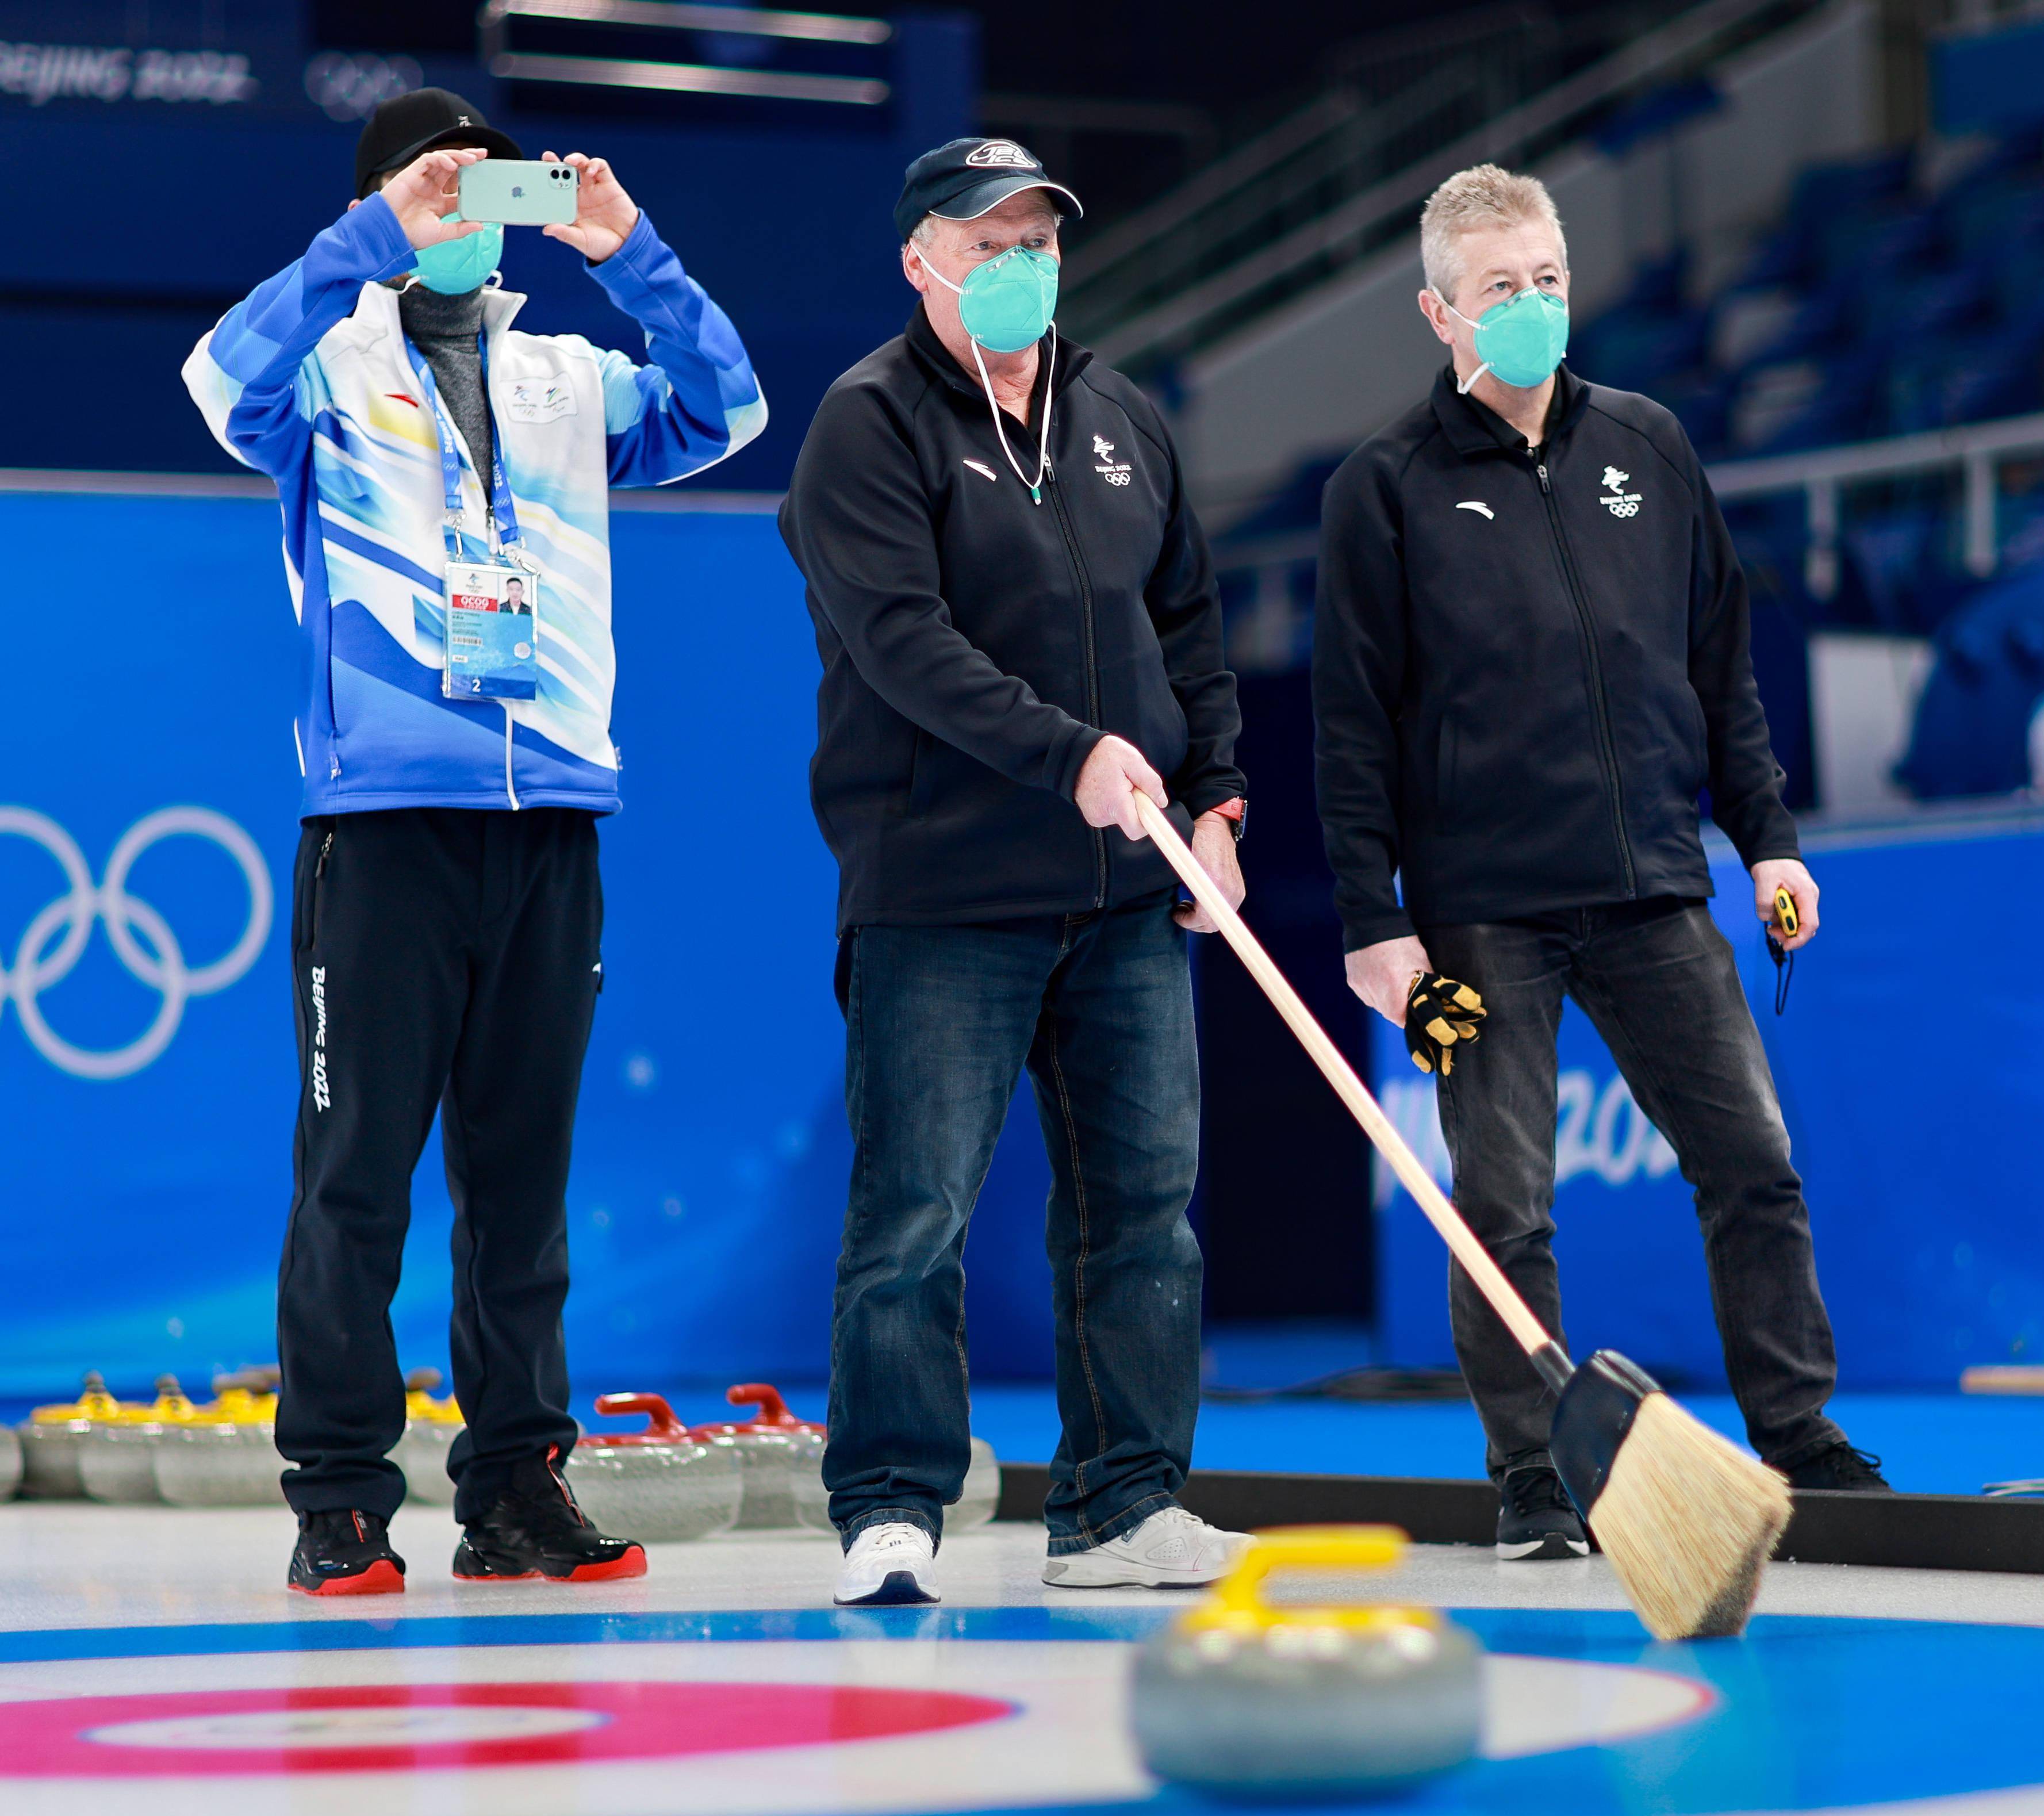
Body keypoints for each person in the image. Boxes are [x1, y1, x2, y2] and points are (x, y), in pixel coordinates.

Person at [181, 88, 768, 1597]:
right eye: (431, 191)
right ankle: (338, 1495)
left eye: (481, 190)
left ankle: (516, 1485)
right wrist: (376, 235)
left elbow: (730, 407)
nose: (460, 214)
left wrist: (631, 251)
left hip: (553, 817)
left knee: (521, 1186)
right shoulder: (319, 368)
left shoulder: (568, 377)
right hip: (379, 829)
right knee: (356, 1178)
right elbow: (212, 376)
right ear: (381, 207)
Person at [1312, 165, 1884, 1562]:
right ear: (1440, 311)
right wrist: (1374, 922)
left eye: (1549, 277)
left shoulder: (1650, 445)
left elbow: (1720, 665)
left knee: (1752, 1162)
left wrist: (1767, 841)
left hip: (1653, 887)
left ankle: (1797, 1431)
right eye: (1501, 286)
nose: (1532, 305)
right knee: (1502, 1204)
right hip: (1475, 919)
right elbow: (1350, 728)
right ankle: (1530, 1472)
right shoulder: (1380, 489)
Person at [779, 137, 1252, 1606]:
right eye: (987, 243)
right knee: (915, 1206)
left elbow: (1188, 624)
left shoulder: (1121, 416)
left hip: (1124, 896)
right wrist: (1070, 755)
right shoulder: (866, 425)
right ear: (920, 260)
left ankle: (1122, 1502)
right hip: (943, 892)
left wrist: (1219, 799)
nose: (1020, 264)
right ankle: (891, 1500)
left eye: (1039, 236)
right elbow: (902, 644)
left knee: (1144, 1203)